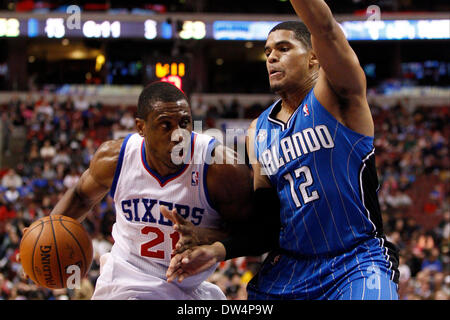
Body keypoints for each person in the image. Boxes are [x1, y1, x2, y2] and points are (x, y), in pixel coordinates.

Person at [166, 0, 400, 300]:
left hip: (354, 260)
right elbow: (267, 224)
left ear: (314, 57)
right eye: (267, 53)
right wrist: (214, 246)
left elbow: (326, 27)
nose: (271, 58)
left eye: (283, 49)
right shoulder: (257, 131)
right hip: (289, 268)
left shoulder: (338, 94)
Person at [43, 81, 253, 299]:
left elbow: (255, 233)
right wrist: (44, 239)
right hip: (124, 282)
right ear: (141, 128)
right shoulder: (115, 158)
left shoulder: (220, 167)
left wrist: (207, 236)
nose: (178, 134)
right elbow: (80, 197)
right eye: (166, 125)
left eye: (184, 122)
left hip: (188, 288)